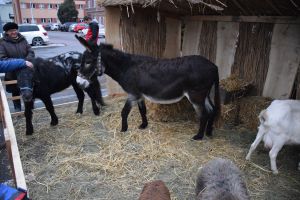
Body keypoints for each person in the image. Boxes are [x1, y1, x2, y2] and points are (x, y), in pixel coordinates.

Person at [0, 22, 35, 111]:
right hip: (12, 72)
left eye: (15, 30)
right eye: (11, 31)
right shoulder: (2, 43)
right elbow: (3, 59)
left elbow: (31, 52)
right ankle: (17, 109)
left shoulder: (23, 39)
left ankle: (29, 108)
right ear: (7, 32)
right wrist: (20, 63)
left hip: (26, 71)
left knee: (28, 89)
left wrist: (27, 60)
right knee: (15, 91)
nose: (13, 32)